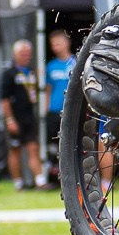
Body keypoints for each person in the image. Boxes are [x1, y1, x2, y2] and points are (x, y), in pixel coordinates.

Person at [0, 39, 41, 190]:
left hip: (29, 116)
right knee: (15, 149)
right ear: (15, 54)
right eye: (22, 54)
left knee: (33, 147)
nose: (25, 56)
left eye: (28, 54)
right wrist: (9, 120)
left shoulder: (31, 71)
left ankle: (40, 181)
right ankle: (18, 183)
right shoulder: (8, 73)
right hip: (14, 117)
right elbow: (4, 99)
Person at [43, 30, 74, 176]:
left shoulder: (76, 63)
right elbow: (48, 89)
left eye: (58, 43)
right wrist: (46, 108)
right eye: (53, 44)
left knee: (71, 142)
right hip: (54, 110)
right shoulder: (51, 66)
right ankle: (56, 174)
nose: (55, 47)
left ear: (66, 42)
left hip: (71, 111)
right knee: (54, 145)